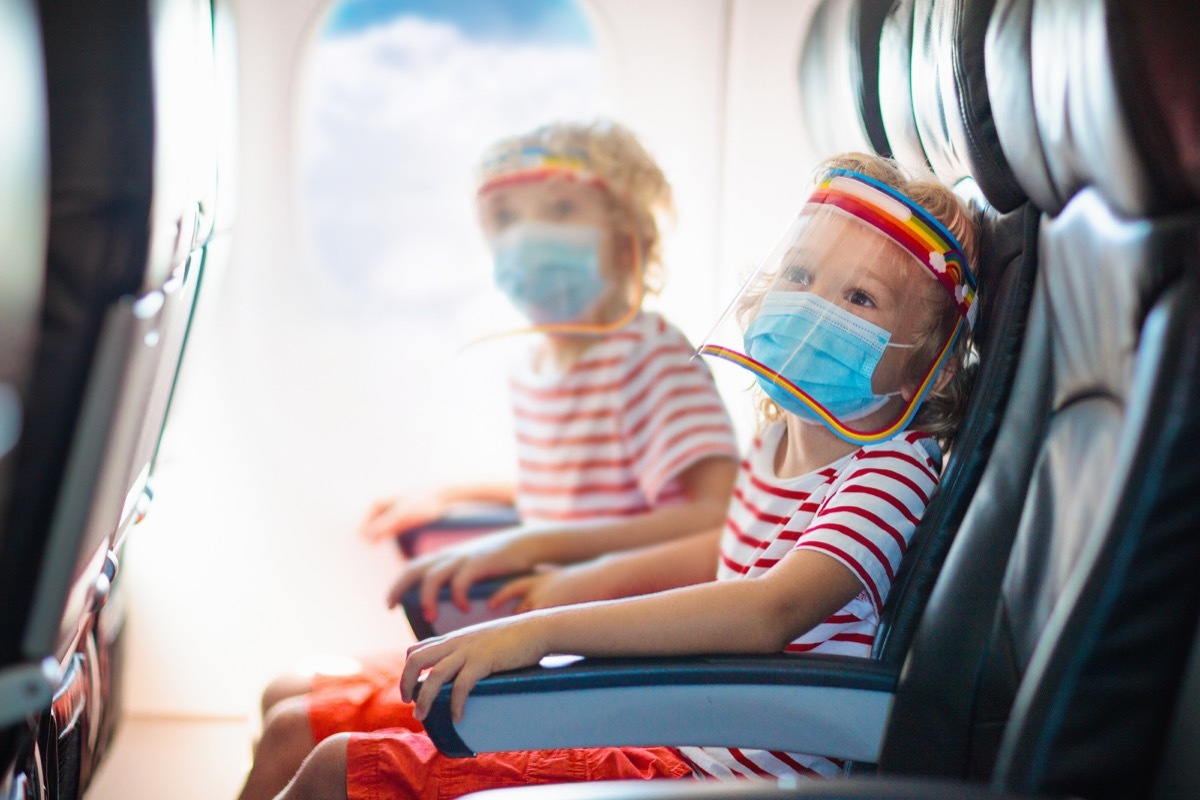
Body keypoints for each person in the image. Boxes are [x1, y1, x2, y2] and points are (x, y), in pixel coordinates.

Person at [264, 151, 984, 799]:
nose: (812, 306)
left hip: (709, 764)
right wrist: (564, 592)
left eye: (859, 299)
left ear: (929, 359)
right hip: (669, 713)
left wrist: (541, 632)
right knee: (297, 723)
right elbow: (722, 549)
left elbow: (766, 611)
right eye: (799, 276)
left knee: (335, 767)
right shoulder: (775, 439)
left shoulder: (889, 475)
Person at [235, 120, 741, 800]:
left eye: (560, 209)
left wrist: (540, 547)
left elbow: (718, 516)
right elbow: (584, 490)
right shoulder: (541, 363)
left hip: (616, 663)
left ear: (630, 239)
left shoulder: (651, 355)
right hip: (553, 646)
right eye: (505, 218)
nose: (527, 233)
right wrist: (454, 497)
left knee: (301, 733)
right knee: (286, 696)